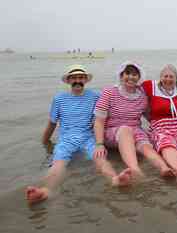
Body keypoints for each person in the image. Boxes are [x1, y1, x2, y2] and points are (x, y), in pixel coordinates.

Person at [25, 65, 132, 205]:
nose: (77, 80)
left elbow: (103, 118)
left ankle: (114, 179)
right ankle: (45, 191)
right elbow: (52, 123)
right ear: (68, 81)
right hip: (66, 139)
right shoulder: (59, 98)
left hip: (88, 138)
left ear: (86, 80)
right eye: (74, 78)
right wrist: (45, 142)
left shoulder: (95, 96)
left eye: (81, 77)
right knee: (58, 164)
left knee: (100, 159)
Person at [93, 62, 174, 180]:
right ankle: (135, 169)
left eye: (135, 74)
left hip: (135, 130)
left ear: (139, 77)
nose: (131, 77)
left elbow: (150, 117)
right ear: (121, 75)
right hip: (112, 132)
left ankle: (164, 168)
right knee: (125, 130)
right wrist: (99, 144)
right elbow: (99, 121)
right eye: (127, 73)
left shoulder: (142, 96)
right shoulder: (109, 92)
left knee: (146, 146)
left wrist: (169, 126)